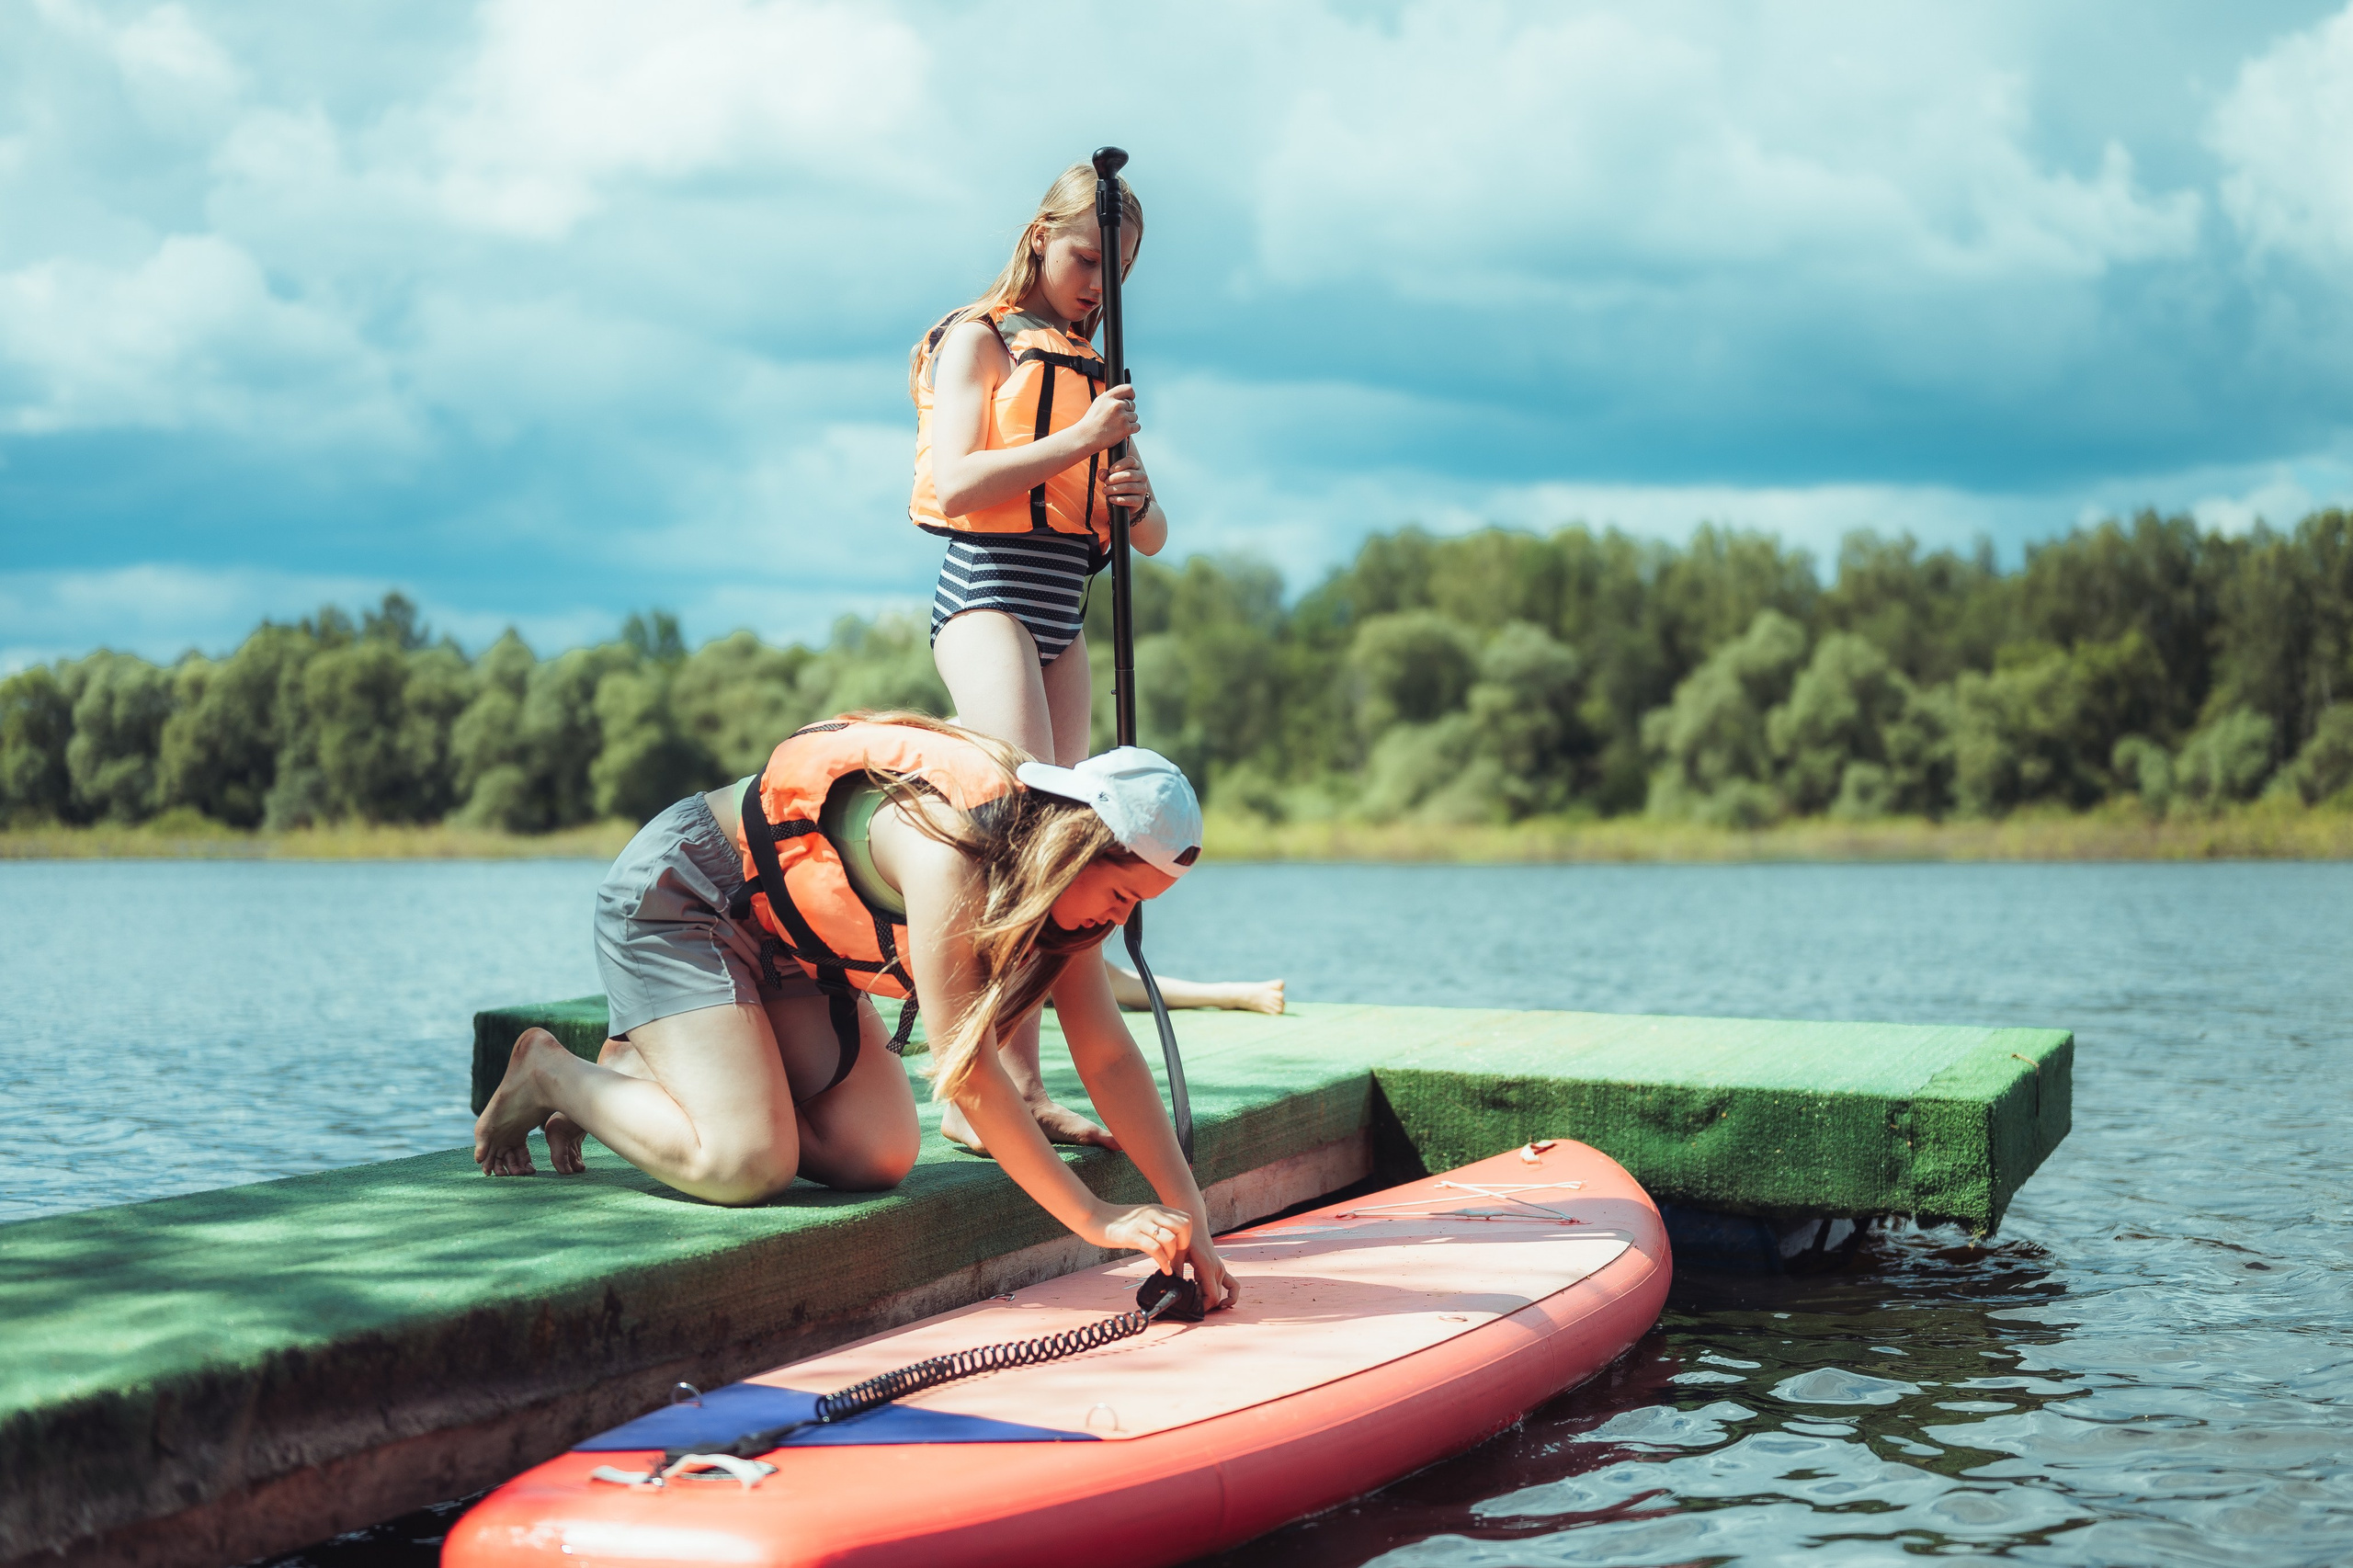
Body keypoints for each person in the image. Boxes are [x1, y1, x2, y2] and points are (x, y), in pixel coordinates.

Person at [472, 712, 1239, 1310]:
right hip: (690, 898)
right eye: (1120, 897)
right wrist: (1095, 1217)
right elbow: (968, 1077)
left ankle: (656, 1073)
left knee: (876, 1155)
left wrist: (1193, 1221)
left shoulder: (1062, 911)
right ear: (1075, 847)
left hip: (792, 949)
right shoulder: (955, 852)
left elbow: (1105, 1056)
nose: (1115, 922)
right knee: (747, 1164)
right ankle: (554, 1074)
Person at [911, 161, 1279, 1152]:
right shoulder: (978, 340)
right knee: (1015, 828)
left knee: (1061, 845)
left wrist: (1133, 489)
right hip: (986, 593)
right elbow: (955, 481)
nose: (1092, 286)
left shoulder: (1092, 374)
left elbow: (1149, 538)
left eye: (1113, 273)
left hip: (1061, 611)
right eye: (1084, 259)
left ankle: (1024, 1084)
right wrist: (1080, 434)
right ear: (1040, 236)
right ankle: (965, 1082)